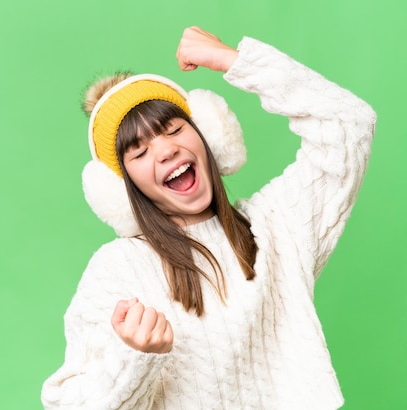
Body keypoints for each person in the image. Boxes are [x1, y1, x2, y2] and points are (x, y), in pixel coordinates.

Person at [41, 26, 376, 409]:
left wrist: (236, 62)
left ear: (210, 136)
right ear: (124, 188)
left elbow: (349, 124)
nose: (166, 150)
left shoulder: (277, 226)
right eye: (139, 152)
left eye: (173, 129)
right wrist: (134, 358)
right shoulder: (119, 270)